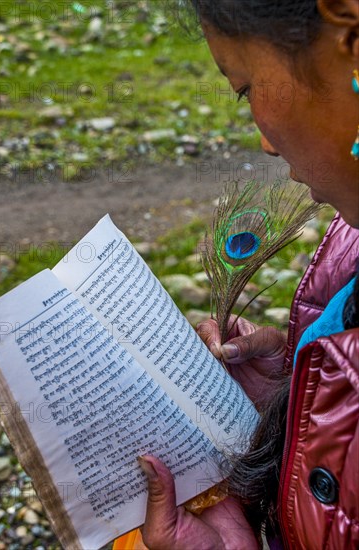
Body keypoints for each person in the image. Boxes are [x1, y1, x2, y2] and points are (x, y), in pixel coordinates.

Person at [116, 1, 359, 548]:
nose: (266, 143)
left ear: (351, 32)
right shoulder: (350, 252)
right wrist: (295, 400)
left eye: (245, 88)